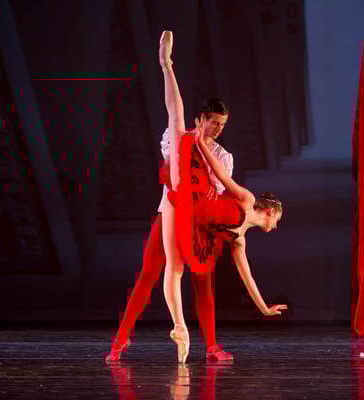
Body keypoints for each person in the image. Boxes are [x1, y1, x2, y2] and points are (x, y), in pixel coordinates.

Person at [159, 30, 288, 363]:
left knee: (176, 267)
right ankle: (166, 63)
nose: (276, 227)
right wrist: (200, 143)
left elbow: (247, 277)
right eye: (278, 220)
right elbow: (221, 175)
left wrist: (264, 308)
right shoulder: (246, 200)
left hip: (189, 220)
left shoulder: (239, 239)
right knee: (176, 121)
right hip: (189, 194)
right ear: (270, 210)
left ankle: (180, 327)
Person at [104, 73, 234, 363]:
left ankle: (212, 346)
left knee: (203, 281)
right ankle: (120, 340)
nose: (219, 129)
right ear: (202, 119)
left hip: (199, 222)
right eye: (215, 122)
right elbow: (171, 170)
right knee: (149, 273)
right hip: (171, 212)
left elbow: (217, 189)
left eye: (223, 124)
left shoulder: (223, 156)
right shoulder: (177, 138)